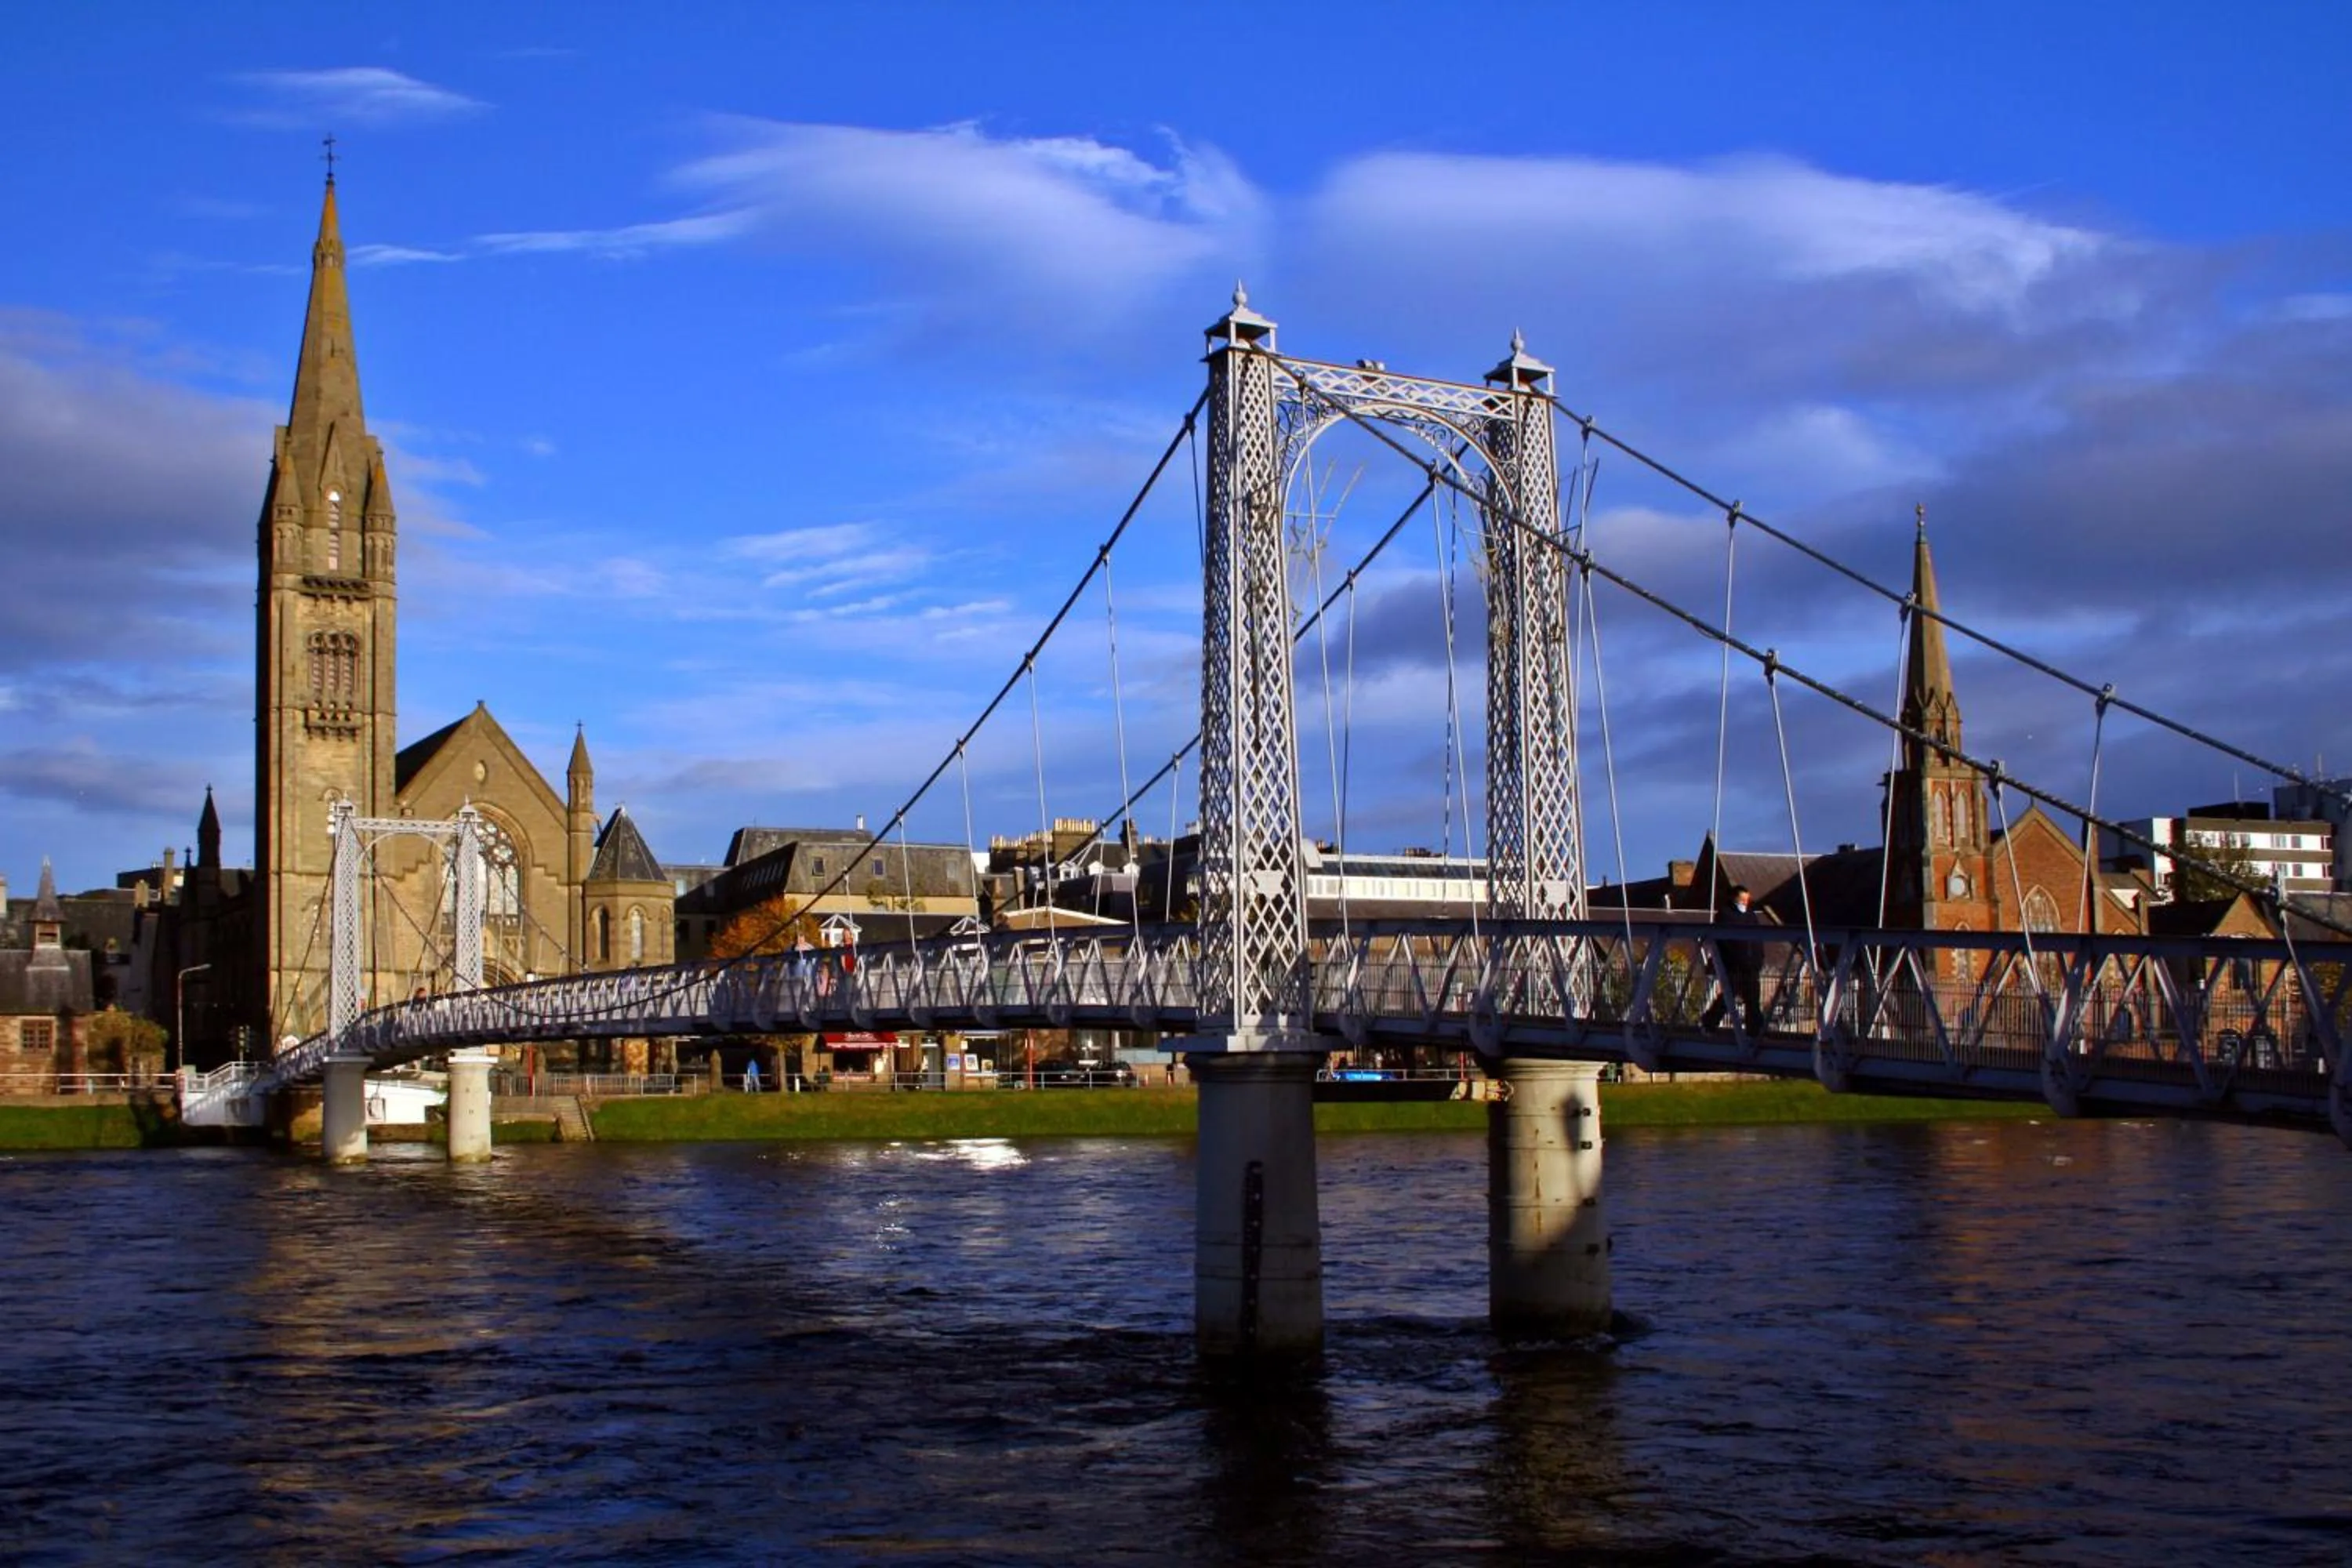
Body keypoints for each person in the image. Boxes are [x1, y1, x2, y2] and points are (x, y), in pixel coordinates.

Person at [1702, 884, 1767, 1034]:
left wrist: (1759, 959)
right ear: (1734, 898)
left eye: (1747, 900)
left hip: (1751, 964)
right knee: (1729, 995)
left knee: (1752, 997)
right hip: (1734, 964)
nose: (1745, 902)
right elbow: (1724, 941)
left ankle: (1754, 1029)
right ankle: (1710, 1021)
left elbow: (1758, 939)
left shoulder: (1751, 915)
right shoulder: (1724, 915)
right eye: (1742, 899)